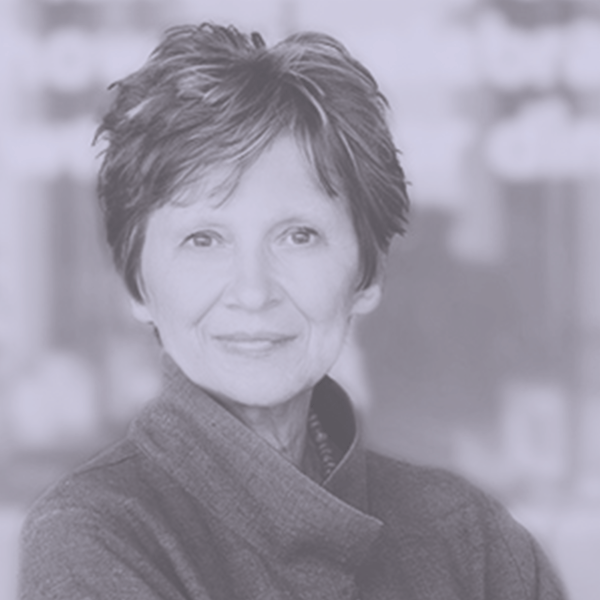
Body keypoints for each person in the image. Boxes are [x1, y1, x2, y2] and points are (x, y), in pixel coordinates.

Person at [19, 23, 565, 599]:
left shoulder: (470, 538)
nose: (253, 292)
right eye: (204, 239)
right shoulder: (93, 534)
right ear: (137, 285)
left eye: (298, 236)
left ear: (367, 274)